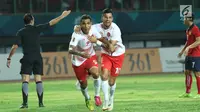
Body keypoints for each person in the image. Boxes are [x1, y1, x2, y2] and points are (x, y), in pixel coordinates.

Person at [6, 10, 71, 109]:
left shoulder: (21, 32)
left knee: (25, 80)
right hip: (37, 57)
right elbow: (51, 23)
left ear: (25, 22)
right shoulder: (37, 29)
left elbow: (14, 46)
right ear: (32, 20)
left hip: (27, 57)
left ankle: (25, 103)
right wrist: (62, 16)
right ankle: (40, 103)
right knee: (38, 80)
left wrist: (9, 58)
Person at [75, 8, 125, 111]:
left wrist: (96, 41)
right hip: (106, 55)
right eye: (106, 17)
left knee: (111, 82)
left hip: (118, 55)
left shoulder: (115, 29)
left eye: (110, 17)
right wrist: (77, 27)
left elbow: (110, 47)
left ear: (112, 18)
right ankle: (106, 102)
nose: (108, 19)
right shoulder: (95, 27)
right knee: (104, 75)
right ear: (102, 18)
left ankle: (111, 98)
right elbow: (84, 27)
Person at [68, 14, 112, 111]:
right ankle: (87, 99)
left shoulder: (93, 30)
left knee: (96, 73)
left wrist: (108, 44)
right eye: (83, 24)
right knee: (83, 85)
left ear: (91, 24)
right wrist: (81, 54)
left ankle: (97, 96)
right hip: (78, 61)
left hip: (90, 57)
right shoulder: (76, 34)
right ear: (80, 24)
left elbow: (100, 39)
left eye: (88, 23)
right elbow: (70, 50)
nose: (86, 26)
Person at [178, 13, 200, 98]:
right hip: (189, 54)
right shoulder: (188, 30)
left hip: (195, 54)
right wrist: (183, 50)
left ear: (189, 19)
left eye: (184, 18)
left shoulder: (195, 29)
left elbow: (199, 41)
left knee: (197, 73)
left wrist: (189, 48)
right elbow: (188, 42)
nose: (183, 20)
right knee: (187, 72)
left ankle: (199, 93)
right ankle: (188, 92)